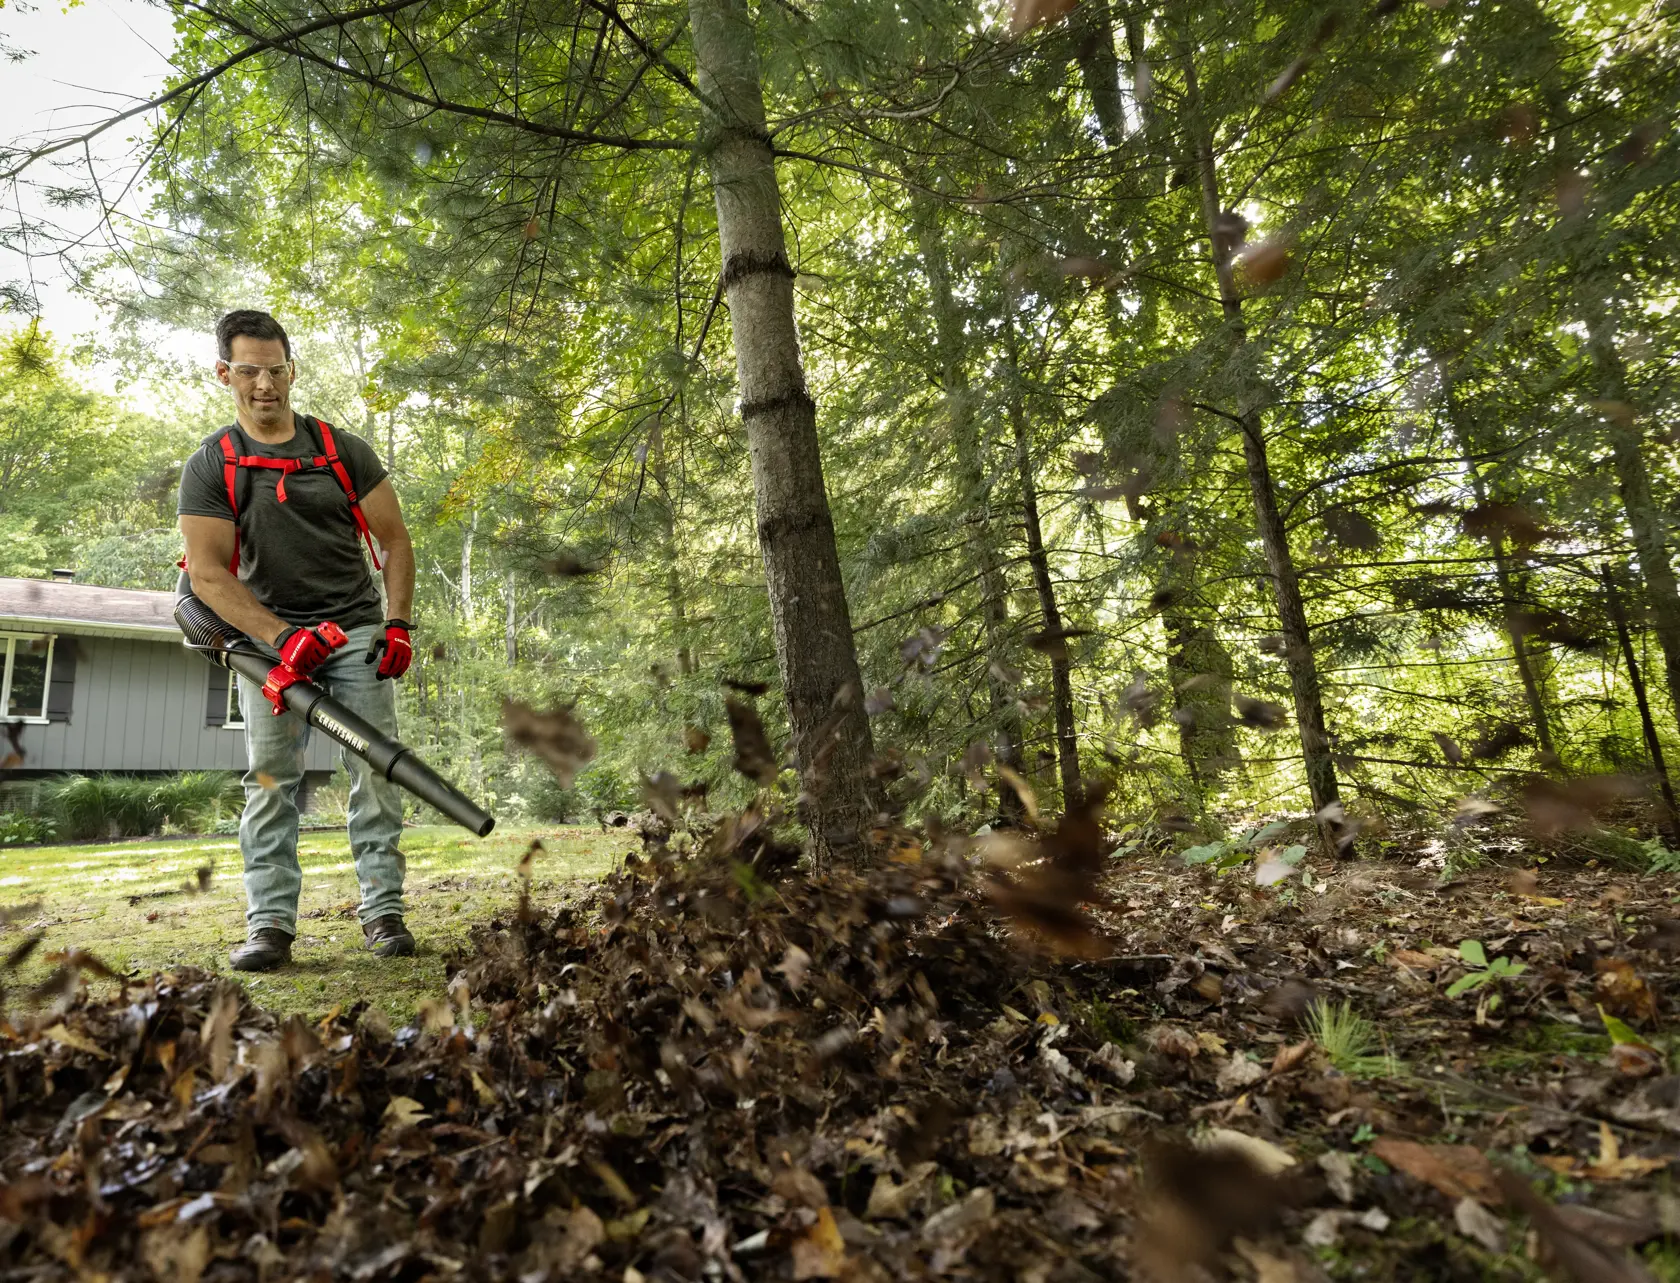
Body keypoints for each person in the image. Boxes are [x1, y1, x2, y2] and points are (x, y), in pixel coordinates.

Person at [177, 309, 418, 971]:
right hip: (267, 639)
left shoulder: (341, 450)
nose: (264, 385)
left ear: (292, 370)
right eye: (249, 371)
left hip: (355, 626)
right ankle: (271, 926)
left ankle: (383, 911)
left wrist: (396, 621)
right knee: (271, 778)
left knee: (374, 764)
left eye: (276, 370)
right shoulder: (213, 464)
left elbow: (395, 539)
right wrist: (281, 638)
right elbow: (205, 574)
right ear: (225, 373)